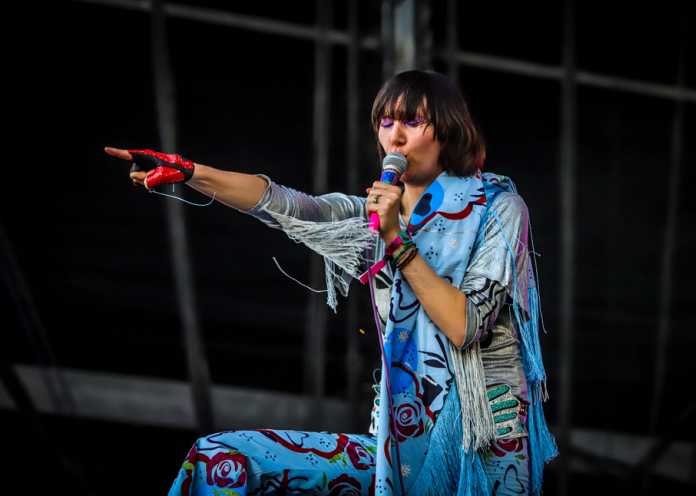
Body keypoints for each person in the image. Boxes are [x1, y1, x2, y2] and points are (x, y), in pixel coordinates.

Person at [105, 69, 557, 495]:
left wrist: (396, 242)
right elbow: (286, 205)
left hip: (485, 447)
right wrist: (190, 172)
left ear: (447, 130)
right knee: (222, 459)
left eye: (413, 122)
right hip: (398, 444)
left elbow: (466, 325)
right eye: (385, 122)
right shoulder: (370, 219)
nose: (394, 136)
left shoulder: (498, 208)